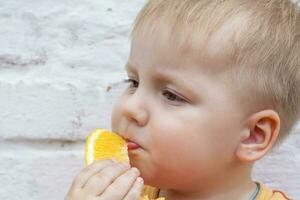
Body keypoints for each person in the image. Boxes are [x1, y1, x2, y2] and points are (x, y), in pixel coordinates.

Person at [65, 0, 300, 199]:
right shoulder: (122, 193)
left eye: (171, 95)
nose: (130, 107)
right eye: (133, 82)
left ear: (252, 135)